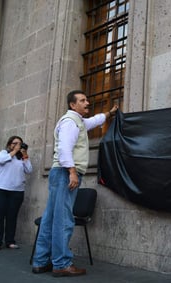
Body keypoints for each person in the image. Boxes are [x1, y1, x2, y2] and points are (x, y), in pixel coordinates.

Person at [32, 90, 118, 277]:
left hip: (60, 173)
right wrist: (72, 172)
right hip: (65, 173)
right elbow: (64, 148)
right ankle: (62, 263)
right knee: (63, 220)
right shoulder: (70, 122)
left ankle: (41, 261)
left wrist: (109, 114)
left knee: (50, 218)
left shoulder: (77, 121)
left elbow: (94, 121)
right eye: (83, 100)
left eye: (87, 99)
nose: (87, 102)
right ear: (72, 105)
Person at [0, 136, 33, 250]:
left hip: (17, 192)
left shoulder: (21, 158)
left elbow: (29, 170)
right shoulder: (4, 153)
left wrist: (25, 155)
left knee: (12, 217)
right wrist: (14, 151)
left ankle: (10, 241)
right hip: (2, 190)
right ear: (10, 144)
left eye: (20, 143)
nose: (18, 145)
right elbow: (1, 160)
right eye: (15, 143)